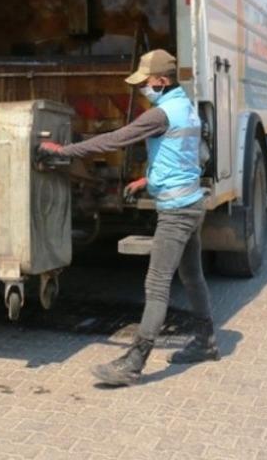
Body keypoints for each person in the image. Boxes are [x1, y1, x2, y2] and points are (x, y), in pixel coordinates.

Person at [39, 49, 219, 387]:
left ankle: (135, 361)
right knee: (192, 277)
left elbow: (114, 140)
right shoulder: (186, 107)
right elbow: (179, 159)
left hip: (177, 212)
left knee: (156, 284)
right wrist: (145, 181)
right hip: (192, 203)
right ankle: (206, 342)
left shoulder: (160, 115)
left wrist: (64, 152)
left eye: (146, 83)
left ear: (161, 81)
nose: (142, 89)